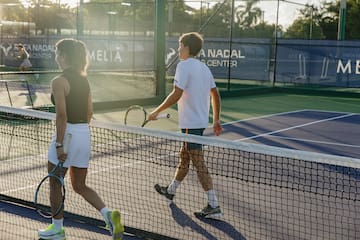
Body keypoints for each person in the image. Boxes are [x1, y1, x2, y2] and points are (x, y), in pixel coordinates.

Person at [37, 38, 124, 240]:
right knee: (79, 185)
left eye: (58, 53)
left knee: (55, 182)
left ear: (64, 56)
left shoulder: (58, 81)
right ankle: (108, 214)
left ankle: (57, 229)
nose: (56, 57)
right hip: (84, 134)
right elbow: (89, 112)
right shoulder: (84, 80)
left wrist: (60, 145)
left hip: (67, 135)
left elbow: (61, 116)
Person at [148, 32, 223, 219]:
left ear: (187, 47)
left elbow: (176, 94)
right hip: (197, 123)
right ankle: (171, 190)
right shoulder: (204, 68)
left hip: (190, 124)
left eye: (180, 45)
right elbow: (215, 93)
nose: (178, 49)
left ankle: (214, 206)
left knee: (198, 163)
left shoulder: (183, 66)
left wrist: (156, 111)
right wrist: (216, 119)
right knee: (184, 157)